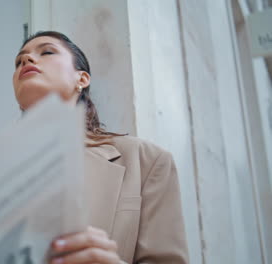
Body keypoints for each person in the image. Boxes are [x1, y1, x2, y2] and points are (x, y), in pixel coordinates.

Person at [12, 31, 189, 264]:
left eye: (46, 51)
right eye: (19, 61)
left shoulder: (146, 160)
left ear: (82, 79)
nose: (26, 60)